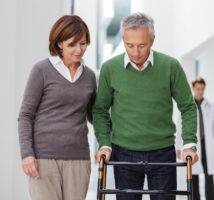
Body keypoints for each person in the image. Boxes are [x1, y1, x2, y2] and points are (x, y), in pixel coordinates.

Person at [93, 12, 198, 200]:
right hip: (123, 154)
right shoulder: (110, 69)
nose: (135, 52)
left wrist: (189, 143)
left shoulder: (171, 66)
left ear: (152, 39)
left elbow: (188, 106)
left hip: (163, 153)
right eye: (129, 45)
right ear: (123, 39)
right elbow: (100, 110)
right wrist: (104, 144)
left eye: (142, 45)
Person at [18, 15, 96, 200]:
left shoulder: (90, 76)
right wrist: (27, 154)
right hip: (44, 159)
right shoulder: (42, 70)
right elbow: (26, 115)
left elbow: (94, 115)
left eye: (83, 43)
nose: (79, 50)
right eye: (72, 44)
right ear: (60, 43)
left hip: (79, 159)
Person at [176, 77, 214, 200]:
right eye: (198, 89)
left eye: (202, 89)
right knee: (193, 176)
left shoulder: (211, 106)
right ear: (193, 89)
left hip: (207, 145)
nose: (200, 91)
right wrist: (178, 147)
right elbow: (180, 127)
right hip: (193, 146)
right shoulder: (186, 105)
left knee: (209, 176)